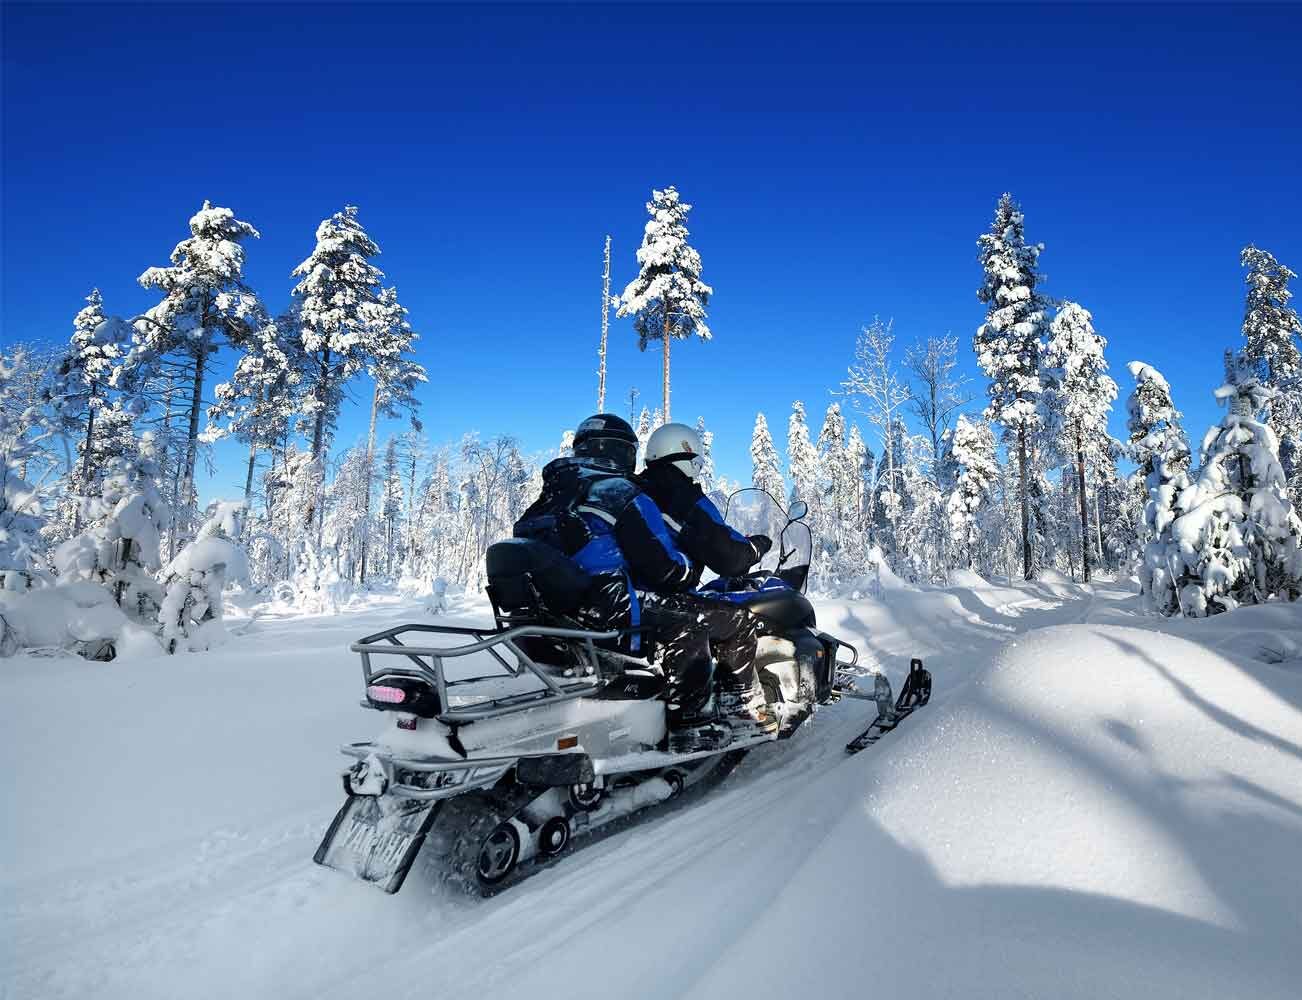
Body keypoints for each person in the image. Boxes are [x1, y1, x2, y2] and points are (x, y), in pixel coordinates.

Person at [510, 414, 718, 748]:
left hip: (555, 618)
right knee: (691, 622)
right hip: (608, 614)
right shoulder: (619, 492)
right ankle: (691, 726)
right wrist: (691, 565)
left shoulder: (547, 500)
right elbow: (664, 567)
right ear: (625, 453)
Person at [636, 422, 778, 743]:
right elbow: (726, 554)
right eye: (696, 464)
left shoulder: (636, 490)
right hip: (664, 601)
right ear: (683, 457)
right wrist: (756, 546)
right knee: (739, 621)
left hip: (630, 599)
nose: (696, 473)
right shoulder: (683, 495)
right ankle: (743, 708)